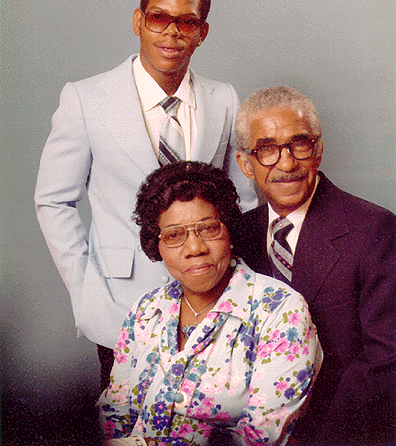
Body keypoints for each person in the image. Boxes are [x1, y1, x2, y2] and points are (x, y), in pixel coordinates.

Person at [34, 0, 257, 390]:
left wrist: (229, 278)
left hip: (209, 301)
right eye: (158, 18)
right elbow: (52, 200)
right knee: (128, 428)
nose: (171, 32)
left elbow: (241, 202)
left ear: (201, 32)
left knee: (203, 422)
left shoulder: (223, 98)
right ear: (139, 21)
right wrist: (84, 291)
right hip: (120, 302)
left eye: (186, 22)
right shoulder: (85, 99)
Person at [97, 161, 323, 446]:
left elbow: (261, 439)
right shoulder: (144, 310)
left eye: (208, 228)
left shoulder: (280, 310)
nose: (195, 249)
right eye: (174, 235)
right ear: (157, 246)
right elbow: (113, 412)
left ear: (229, 232)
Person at [234, 85, 396, 445]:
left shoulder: (374, 230)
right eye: (267, 150)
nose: (287, 163)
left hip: (339, 431)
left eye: (299, 144)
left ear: (318, 151)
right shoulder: (239, 235)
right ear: (246, 163)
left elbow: (385, 358)